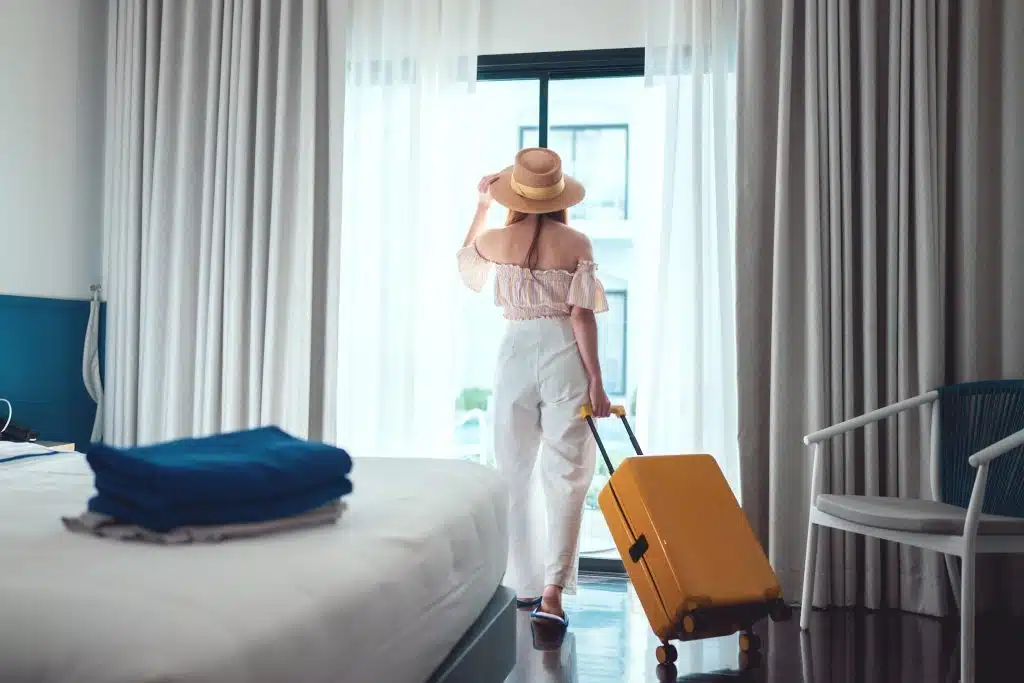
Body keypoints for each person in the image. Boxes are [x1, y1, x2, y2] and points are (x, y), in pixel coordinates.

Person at [456, 147, 612, 632]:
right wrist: (597, 381)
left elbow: (465, 263)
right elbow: (581, 317)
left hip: (515, 356)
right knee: (567, 476)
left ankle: (521, 584)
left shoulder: (497, 239)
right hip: (565, 356)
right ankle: (552, 593)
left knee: (514, 472)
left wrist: (482, 207)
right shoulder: (578, 242)